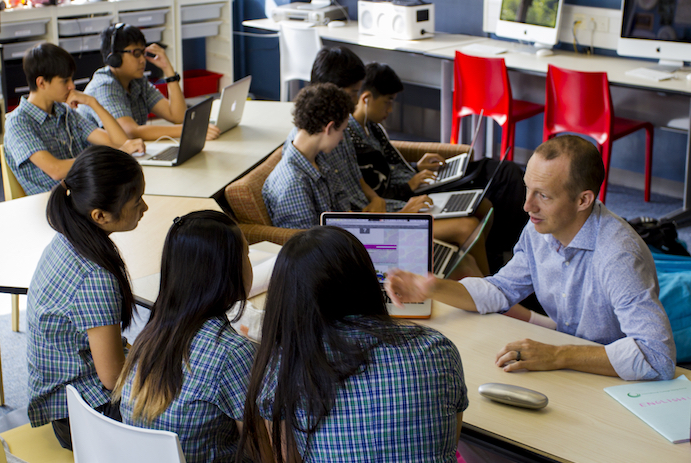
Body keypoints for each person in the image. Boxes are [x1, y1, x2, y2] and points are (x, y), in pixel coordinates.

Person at [386, 135, 677, 381]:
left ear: (583, 200)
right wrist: (433, 288)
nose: (527, 205)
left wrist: (559, 354)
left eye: (543, 196)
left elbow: (657, 357)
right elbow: (500, 289)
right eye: (527, 188)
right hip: (572, 364)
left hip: (612, 376)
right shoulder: (541, 229)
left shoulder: (618, 256)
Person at [237, 226, 468, 462]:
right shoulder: (438, 349)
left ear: (286, 297)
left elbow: (287, 457)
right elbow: (449, 442)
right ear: (366, 278)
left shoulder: (283, 366)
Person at [264, 82, 491, 273]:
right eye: (342, 131)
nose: (343, 139)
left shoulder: (317, 157)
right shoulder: (292, 184)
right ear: (329, 128)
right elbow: (313, 254)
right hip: (349, 256)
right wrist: (396, 220)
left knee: (465, 262)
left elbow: (341, 216)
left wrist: (377, 218)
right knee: (462, 265)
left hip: (359, 238)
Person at [349, 62, 528, 271]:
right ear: (366, 98)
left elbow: (389, 167)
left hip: (416, 183)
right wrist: (410, 186)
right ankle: (508, 258)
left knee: (500, 174)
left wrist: (416, 167)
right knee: (504, 177)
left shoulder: (371, 127)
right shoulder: (353, 140)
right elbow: (380, 189)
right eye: (388, 102)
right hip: (409, 195)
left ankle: (502, 258)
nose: (390, 110)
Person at [27, 145, 148, 449]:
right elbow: (112, 378)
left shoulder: (68, 237)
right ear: (101, 215)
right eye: (136, 202)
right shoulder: (94, 276)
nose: (144, 208)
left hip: (65, 400)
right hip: (84, 419)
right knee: (195, 406)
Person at [115, 210, 256, 463]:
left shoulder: (151, 333)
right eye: (246, 255)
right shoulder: (233, 353)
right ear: (228, 271)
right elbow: (261, 449)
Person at [4, 43, 145, 195]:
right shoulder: (18, 122)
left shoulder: (64, 113)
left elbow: (119, 143)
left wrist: (93, 102)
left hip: (84, 195)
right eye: (65, 81)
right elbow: (55, 170)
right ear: (41, 83)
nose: (72, 86)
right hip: (54, 205)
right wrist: (105, 157)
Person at [79, 24, 220, 141]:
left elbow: (178, 116)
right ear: (115, 58)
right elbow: (130, 132)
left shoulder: (137, 82)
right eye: (136, 53)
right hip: (96, 166)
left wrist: (168, 71)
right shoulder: (105, 86)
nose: (142, 60)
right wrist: (190, 128)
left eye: (142, 52)